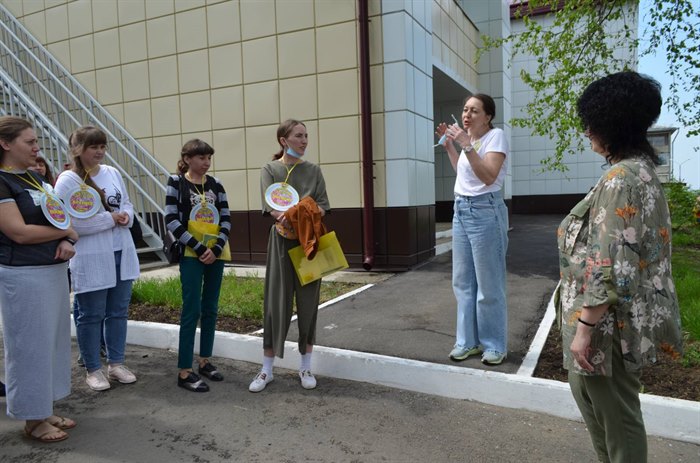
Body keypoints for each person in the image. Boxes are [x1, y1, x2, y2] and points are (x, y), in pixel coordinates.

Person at [557, 71, 683, 462]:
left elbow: (608, 261)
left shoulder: (620, 179)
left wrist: (585, 328)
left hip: (607, 329)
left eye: (592, 122)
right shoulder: (641, 172)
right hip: (613, 323)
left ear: (612, 124)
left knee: (617, 423)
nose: (587, 131)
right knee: (608, 418)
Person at [0, 116, 78, 442]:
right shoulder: (2, 182)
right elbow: (18, 232)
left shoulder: (34, 178)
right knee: (29, 347)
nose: (36, 147)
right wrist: (65, 232)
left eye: (36, 141)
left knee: (52, 344)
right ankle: (32, 418)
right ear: (5, 143)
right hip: (23, 275)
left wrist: (68, 238)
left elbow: (59, 217)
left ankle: (44, 408)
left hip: (52, 270)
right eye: (29, 142)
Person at [54, 126, 140, 392]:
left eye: (103, 146)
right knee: (91, 314)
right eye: (94, 147)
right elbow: (71, 223)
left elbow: (127, 204)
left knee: (118, 311)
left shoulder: (112, 173)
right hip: (91, 256)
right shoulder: (68, 180)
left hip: (120, 251)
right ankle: (93, 368)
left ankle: (116, 363)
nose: (100, 152)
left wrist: (126, 216)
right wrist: (110, 219)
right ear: (78, 149)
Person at [248, 119, 330, 393]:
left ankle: (305, 367)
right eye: (299, 136)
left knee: (309, 304)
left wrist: (301, 212)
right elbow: (270, 206)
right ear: (284, 140)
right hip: (281, 241)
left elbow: (323, 206)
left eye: (306, 136)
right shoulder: (270, 169)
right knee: (276, 303)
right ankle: (267, 370)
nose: (304, 140)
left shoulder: (314, 171)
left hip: (309, 244)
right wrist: (288, 214)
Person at [435, 94, 509, 365]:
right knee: (463, 282)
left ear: (488, 116)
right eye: (465, 109)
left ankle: (494, 345)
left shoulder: (495, 137)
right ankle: (467, 342)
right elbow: (464, 172)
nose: (466, 115)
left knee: (488, 284)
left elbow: (488, 176)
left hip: (485, 210)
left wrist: (466, 144)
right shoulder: (471, 143)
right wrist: (450, 147)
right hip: (461, 210)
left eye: (474, 111)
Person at [164, 139, 230, 393]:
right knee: (191, 308)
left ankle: (204, 360)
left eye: (209, 158)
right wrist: (199, 248)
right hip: (192, 254)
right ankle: (184, 370)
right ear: (187, 159)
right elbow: (171, 219)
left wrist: (216, 248)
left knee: (211, 307)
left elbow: (226, 218)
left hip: (216, 254)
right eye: (201, 158)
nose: (206, 163)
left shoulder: (216, 184)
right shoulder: (176, 182)